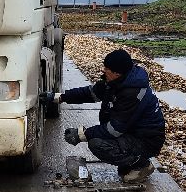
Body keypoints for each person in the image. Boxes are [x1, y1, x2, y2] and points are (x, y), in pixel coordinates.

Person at [54, 49, 166, 184]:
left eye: (107, 69)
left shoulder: (133, 93)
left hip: (147, 141)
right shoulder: (117, 82)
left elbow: (114, 129)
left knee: (97, 144)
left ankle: (141, 165)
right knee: (102, 140)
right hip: (131, 133)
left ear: (117, 73)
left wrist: (82, 134)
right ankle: (130, 162)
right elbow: (89, 93)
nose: (103, 71)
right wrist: (60, 97)